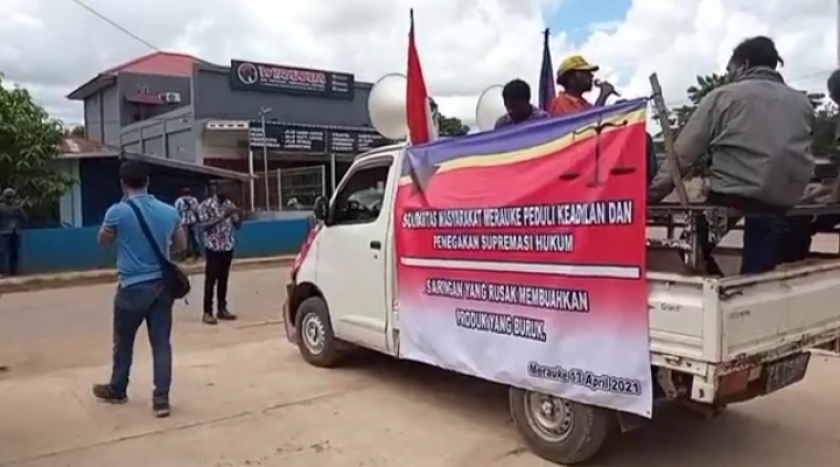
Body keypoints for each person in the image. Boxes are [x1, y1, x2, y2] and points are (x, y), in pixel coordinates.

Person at [648, 36, 814, 275]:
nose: (728, 76)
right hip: (780, 202)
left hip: (729, 200)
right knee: (759, 274)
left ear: (744, 64)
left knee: (693, 245)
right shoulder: (802, 103)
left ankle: (717, 286)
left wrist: (650, 196)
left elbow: (682, 156)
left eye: (730, 70)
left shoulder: (724, 97)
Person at [93, 161, 185, 418]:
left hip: (131, 288)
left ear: (123, 184)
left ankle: (118, 388)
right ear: (148, 182)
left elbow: (103, 242)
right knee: (161, 345)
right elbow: (181, 245)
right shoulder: (169, 211)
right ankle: (161, 400)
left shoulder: (117, 212)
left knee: (123, 343)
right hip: (162, 288)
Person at [198, 185, 242, 325]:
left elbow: (237, 226)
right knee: (211, 280)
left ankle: (222, 309)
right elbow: (205, 226)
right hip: (213, 247)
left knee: (224, 279)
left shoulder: (229, 205)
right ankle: (207, 312)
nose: (227, 194)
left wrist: (240, 216)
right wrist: (223, 217)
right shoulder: (206, 205)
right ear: (217, 191)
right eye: (225, 191)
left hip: (227, 246)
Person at [550, 55, 616, 116]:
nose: (591, 75)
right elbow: (588, 124)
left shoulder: (586, 105)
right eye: (585, 72)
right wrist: (603, 96)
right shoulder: (560, 103)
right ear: (571, 77)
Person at [0, 188, 26, 277]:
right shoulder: (17, 207)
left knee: (4, 252)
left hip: (5, 231)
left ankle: (4, 271)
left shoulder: (2, 207)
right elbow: (24, 218)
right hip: (14, 231)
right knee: (12, 252)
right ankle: (12, 271)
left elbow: (23, 218)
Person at [174, 187, 201, 260]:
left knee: (185, 239)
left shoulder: (179, 201)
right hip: (193, 221)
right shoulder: (194, 200)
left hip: (183, 222)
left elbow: (176, 211)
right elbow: (197, 210)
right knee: (195, 238)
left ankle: (185, 255)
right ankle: (196, 254)